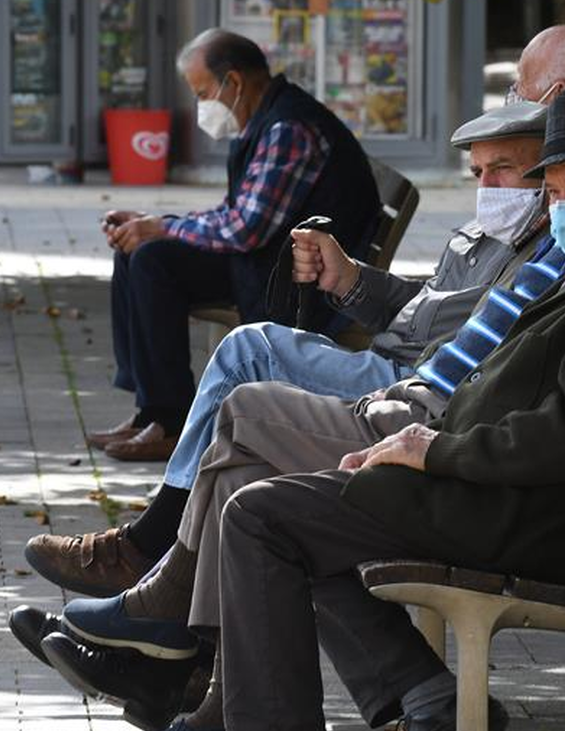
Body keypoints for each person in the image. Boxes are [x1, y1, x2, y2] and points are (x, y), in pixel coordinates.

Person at [35, 82, 565, 731]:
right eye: (555, 187)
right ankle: (341, 694)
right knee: (261, 490)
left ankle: (191, 651)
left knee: (260, 511)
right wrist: (427, 432)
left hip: (524, 513)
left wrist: (432, 447)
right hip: (494, 485)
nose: (562, 204)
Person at [20, 21, 565, 598]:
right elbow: (446, 311)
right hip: (414, 387)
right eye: (482, 172)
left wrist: (427, 438)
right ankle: (173, 638)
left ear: (561, 95)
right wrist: (351, 281)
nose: (495, 184)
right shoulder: (545, 209)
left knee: (245, 366)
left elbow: (510, 373)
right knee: (242, 472)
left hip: (431, 418)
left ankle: (148, 557)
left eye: (519, 92)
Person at [90, 28, 380, 459]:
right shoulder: (266, 121)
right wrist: (157, 224)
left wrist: (161, 229)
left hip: (294, 280)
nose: (202, 105)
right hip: (268, 262)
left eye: (203, 92)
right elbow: (237, 213)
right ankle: (153, 409)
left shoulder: (289, 128)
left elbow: (245, 228)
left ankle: (169, 420)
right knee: (139, 251)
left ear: (235, 83)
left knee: (153, 259)